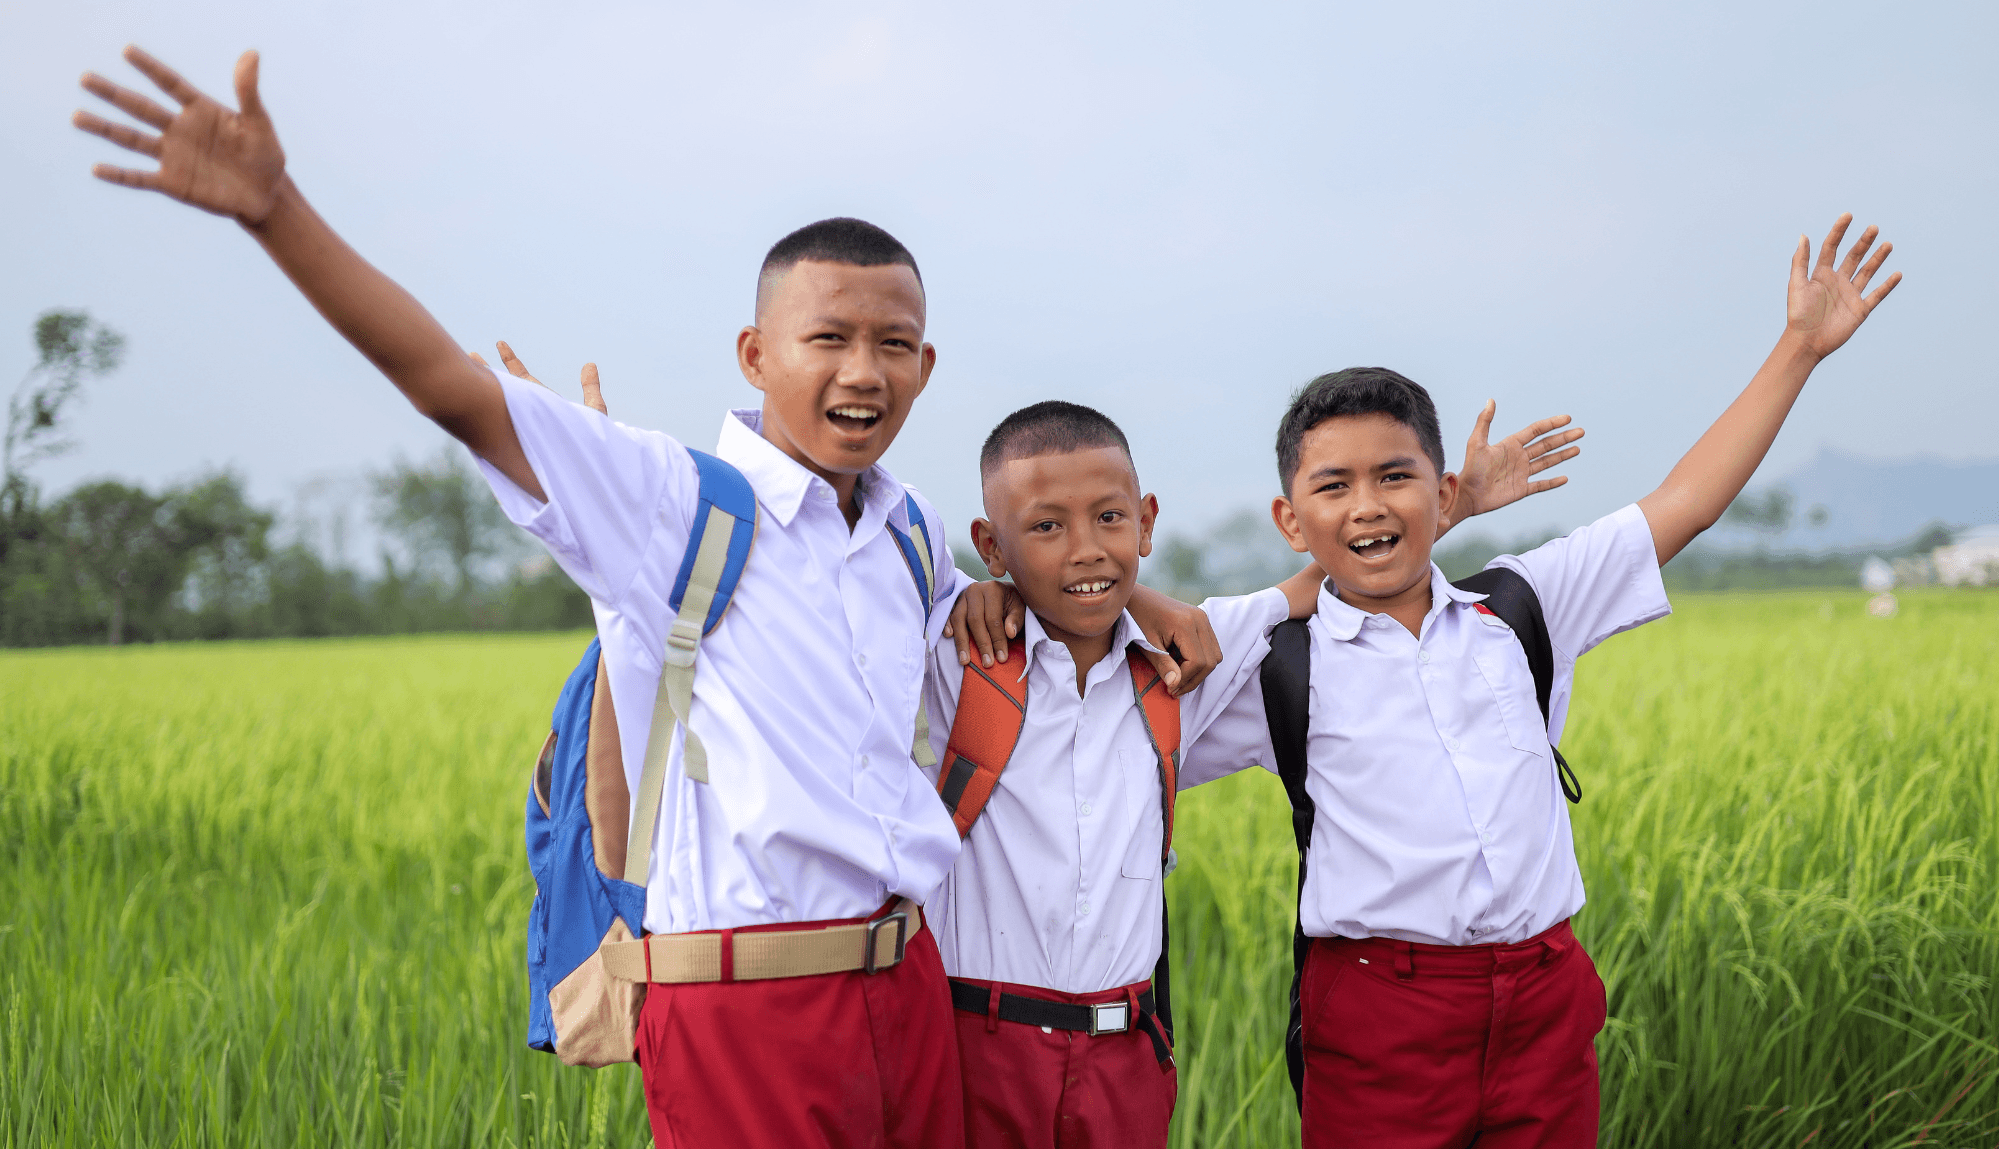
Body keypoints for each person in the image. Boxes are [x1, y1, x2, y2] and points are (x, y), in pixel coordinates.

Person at [68, 46, 1225, 1149]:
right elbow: (449, 388)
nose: (860, 370)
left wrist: (1146, 601)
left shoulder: (909, 531)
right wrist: (275, 210)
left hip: (909, 985)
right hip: (741, 1004)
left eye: (892, 344)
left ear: (924, 368)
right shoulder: (670, 503)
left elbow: (1050, 570)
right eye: (826, 338)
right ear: (755, 355)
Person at [1181, 214, 1901, 1148]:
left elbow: (1684, 503)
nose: (1366, 505)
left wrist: (1799, 347)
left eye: (1396, 476)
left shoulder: (1522, 604)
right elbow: (1126, 672)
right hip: (1380, 1014)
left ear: (1444, 493)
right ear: (1290, 519)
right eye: (1333, 487)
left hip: (1544, 998)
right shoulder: (1280, 660)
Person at [928, 397, 1583, 1147]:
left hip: (1125, 1049)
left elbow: (1324, 575)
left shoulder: (1185, 654)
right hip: (974, 1038)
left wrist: (1451, 503)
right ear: (992, 545)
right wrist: (986, 588)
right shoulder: (953, 657)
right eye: (1046, 527)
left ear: (1145, 522)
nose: (1085, 550)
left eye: (1109, 519)